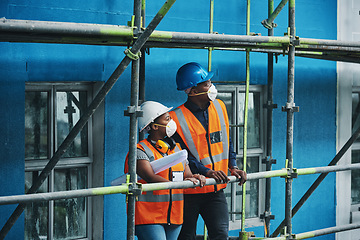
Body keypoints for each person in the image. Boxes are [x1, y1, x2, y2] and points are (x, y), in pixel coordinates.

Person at [169, 62, 247, 240]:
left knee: (220, 235)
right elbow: (183, 156)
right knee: (186, 237)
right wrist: (207, 172)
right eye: (207, 83)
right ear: (193, 90)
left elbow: (227, 141)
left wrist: (233, 167)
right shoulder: (175, 118)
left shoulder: (220, 106)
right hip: (189, 190)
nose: (212, 86)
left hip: (215, 189)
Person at [124, 100, 206, 240]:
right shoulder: (140, 150)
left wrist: (195, 177)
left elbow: (187, 175)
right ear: (155, 126)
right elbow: (149, 177)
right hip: (149, 216)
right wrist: (177, 185)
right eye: (167, 118)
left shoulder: (176, 149)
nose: (171, 121)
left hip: (174, 215)